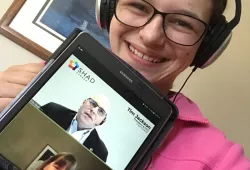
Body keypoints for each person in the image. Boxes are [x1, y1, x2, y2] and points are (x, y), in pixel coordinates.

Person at [0, 0, 249, 169]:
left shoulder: (222, 160)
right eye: (138, 5)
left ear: (207, 47)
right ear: (107, 9)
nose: (150, 36)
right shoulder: (39, 94)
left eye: (182, 23)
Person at [40, 95, 110, 162]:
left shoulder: (100, 153)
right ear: (83, 102)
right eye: (93, 103)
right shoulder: (52, 111)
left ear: (102, 122)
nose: (93, 110)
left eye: (101, 111)